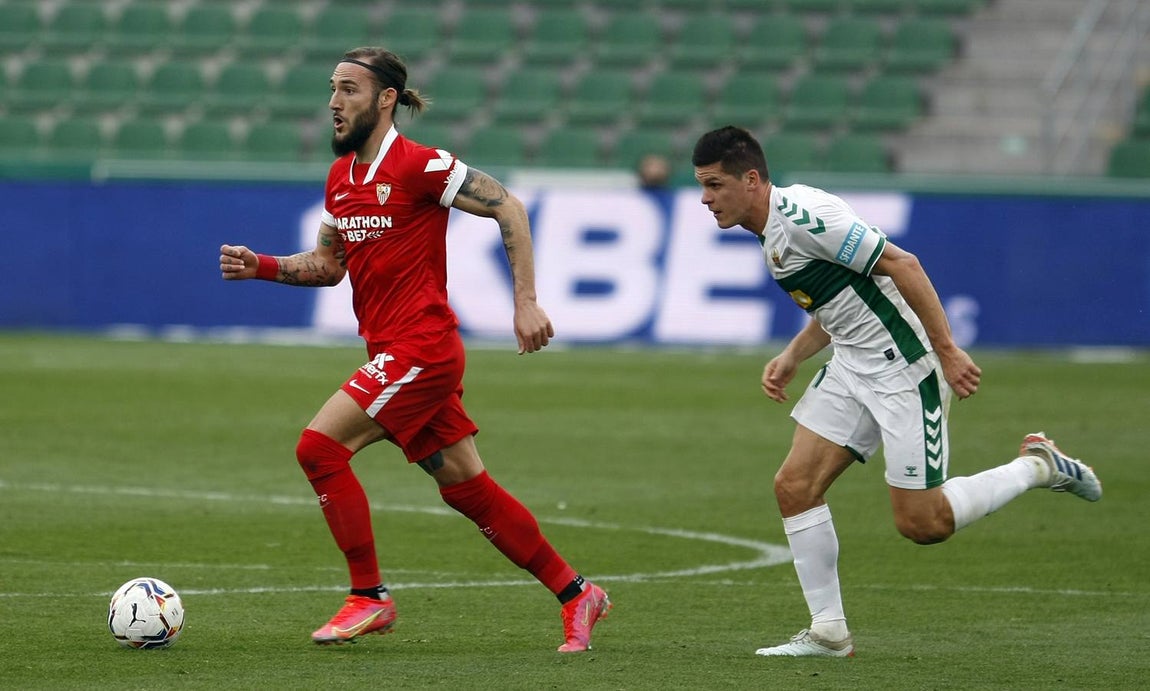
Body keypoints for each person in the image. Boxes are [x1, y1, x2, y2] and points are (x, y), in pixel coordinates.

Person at [219, 47, 611, 652]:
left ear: (385, 100)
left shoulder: (420, 165)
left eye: (348, 89)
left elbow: (508, 205)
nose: (333, 101)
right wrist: (263, 266)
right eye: (332, 88)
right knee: (466, 487)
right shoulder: (341, 178)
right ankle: (576, 592)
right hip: (393, 352)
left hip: (422, 348)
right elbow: (328, 265)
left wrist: (526, 302)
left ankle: (368, 597)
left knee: (319, 449)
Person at [690, 126, 1101, 658]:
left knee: (923, 524)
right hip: (852, 366)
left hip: (904, 367)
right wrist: (793, 355)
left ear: (750, 179)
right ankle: (829, 632)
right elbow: (841, 302)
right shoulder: (768, 230)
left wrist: (947, 351)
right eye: (702, 186)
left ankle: (1038, 466)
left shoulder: (804, 219)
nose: (705, 198)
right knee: (794, 486)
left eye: (714, 185)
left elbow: (902, 264)